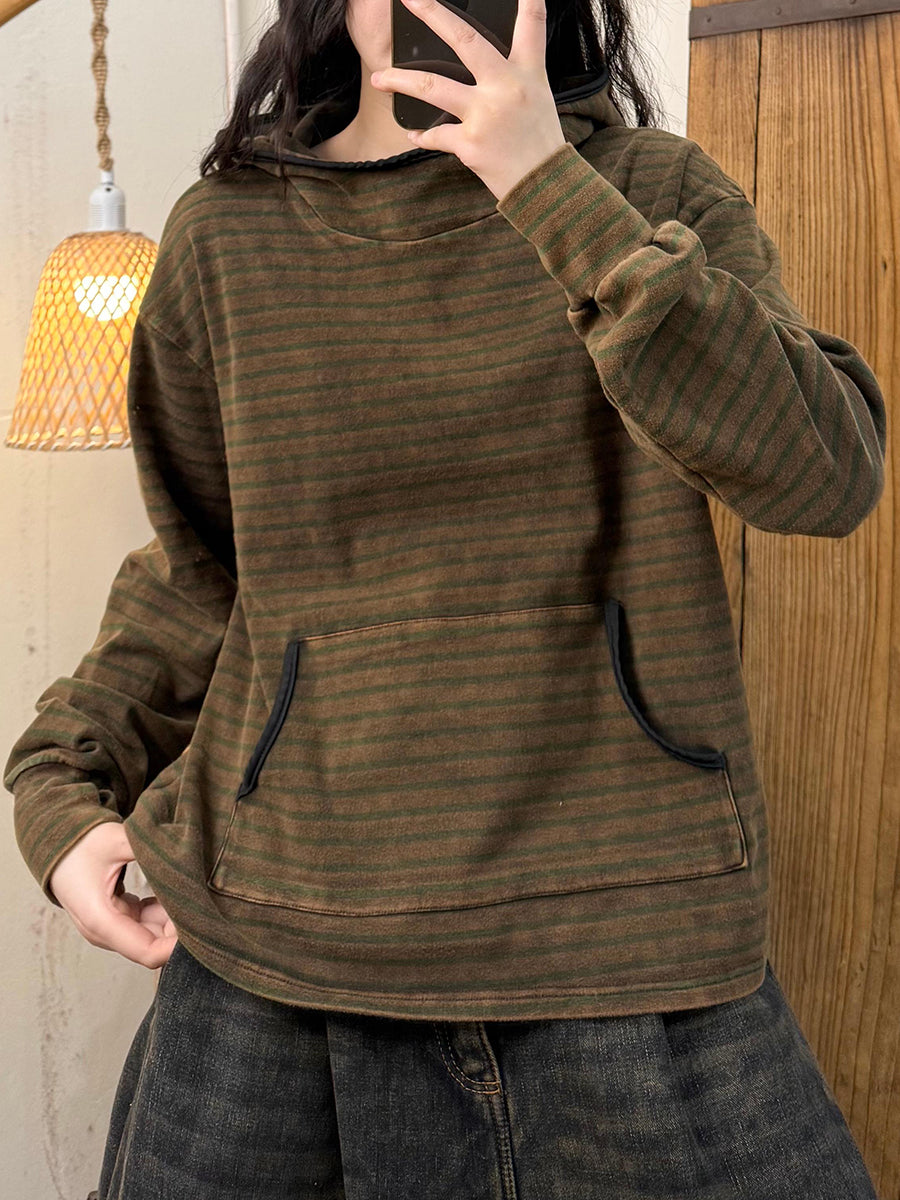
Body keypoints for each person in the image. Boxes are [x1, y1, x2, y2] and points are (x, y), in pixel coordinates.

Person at [5, 0, 887, 1196]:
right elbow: (203, 573)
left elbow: (823, 473)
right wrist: (61, 787)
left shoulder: (650, 189)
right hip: (277, 952)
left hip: (628, 939)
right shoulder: (225, 236)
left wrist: (549, 188)